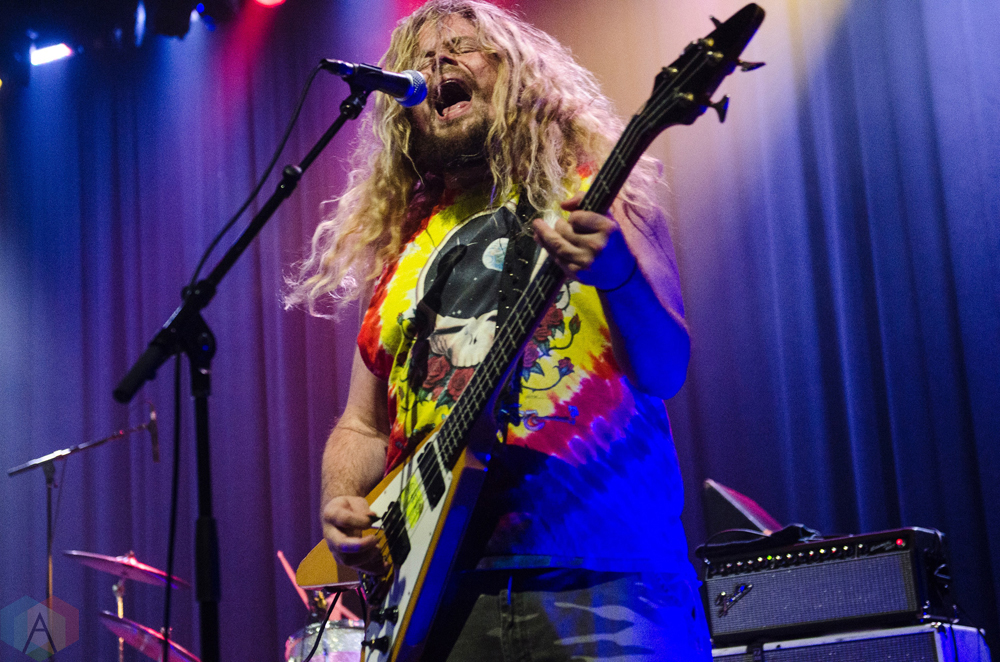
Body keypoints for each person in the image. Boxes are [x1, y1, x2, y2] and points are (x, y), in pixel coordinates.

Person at [286, 1, 711, 659]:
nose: (437, 63)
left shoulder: (601, 195)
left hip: (605, 581)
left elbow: (665, 368)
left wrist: (620, 274)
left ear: (517, 73)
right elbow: (363, 425)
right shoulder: (403, 246)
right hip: (438, 594)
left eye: (462, 47)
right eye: (419, 60)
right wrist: (342, 498)